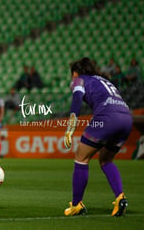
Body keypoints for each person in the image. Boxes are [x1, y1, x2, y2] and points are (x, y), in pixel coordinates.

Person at [63, 57, 132, 217]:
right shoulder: (104, 80)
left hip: (107, 118)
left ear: (75, 73)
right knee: (106, 160)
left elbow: (77, 99)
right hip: (126, 118)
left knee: (81, 157)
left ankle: (76, 205)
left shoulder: (78, 80)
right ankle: (120, 198)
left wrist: (70, 128)